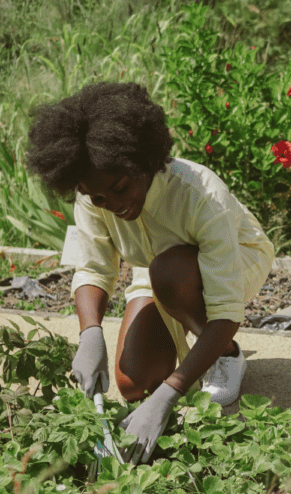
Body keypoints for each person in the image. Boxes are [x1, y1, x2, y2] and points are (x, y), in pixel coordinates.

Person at [25, 82, 275, 464]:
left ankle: (226, 355)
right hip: (157, 269)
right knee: (133, 383)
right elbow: (93, 269)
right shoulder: (95, 194)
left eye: (121, 188)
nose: (114, 205)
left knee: (171, 274)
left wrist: (170, 394)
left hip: (234, 260)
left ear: (142, 161)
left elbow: (225, 310)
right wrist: (90, 334)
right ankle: (187, 341)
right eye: (100, 199)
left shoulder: (201, 195)